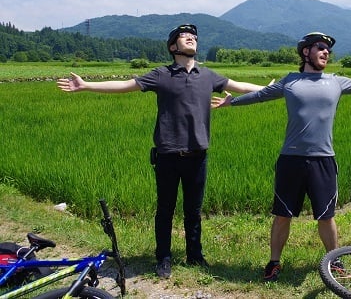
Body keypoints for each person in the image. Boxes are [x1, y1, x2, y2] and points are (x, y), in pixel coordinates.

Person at [212, 31, 351, 281]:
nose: (326, 52)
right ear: (306, 52)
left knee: (326, 216)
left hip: (323, 159)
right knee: (282, 215)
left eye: (328, 49)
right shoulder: (290, 81)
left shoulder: (335, 81)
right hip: (291, 160)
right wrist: (233, 103)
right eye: (320, 47)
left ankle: (334, 260)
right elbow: (262, 95)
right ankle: (274, 262)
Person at [57, 24, 270, 279]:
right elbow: (125, 85)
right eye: (184, 36)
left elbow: (240, 86)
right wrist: (87, 85)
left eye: (194, 37)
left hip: (198, 155)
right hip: (168, 154)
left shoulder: (208, 76)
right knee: (165, 210)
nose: (191, 38)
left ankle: (195, 256)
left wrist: (269, 90)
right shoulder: (161, 75)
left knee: (193, 210)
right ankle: (164, 258)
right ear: (173, 47)